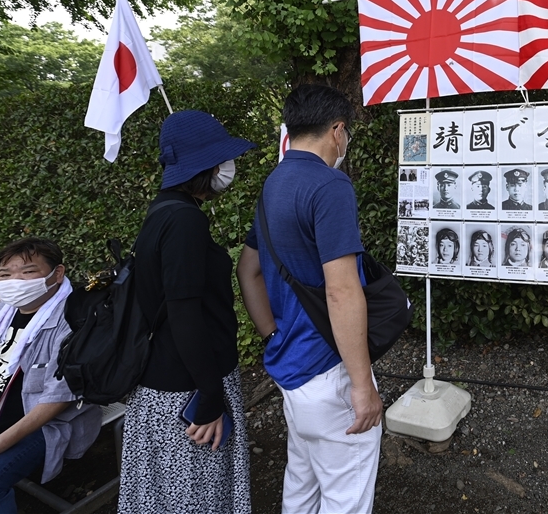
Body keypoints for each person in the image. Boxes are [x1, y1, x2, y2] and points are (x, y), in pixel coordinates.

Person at [237, 84, 382, 514]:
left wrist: (272, 334)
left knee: (302, 482)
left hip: (291, 369)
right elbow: (340, 290)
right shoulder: (330, 185)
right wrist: (361, 385)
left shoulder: (274, 183)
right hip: (327, 369)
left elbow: (248, 269)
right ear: (337, 130)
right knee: (345, 496)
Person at [119, 110, 254, 514]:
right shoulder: (183, 221)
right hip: (187, 394)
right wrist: (210, 396)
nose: (227, 169)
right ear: (206, 167)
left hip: (171, 383)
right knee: (197, 498)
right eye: (221, 160)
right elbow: (184, 313)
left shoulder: (163, 212)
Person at [0, 238, 102, 514]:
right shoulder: (0, 313)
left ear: (57, 273)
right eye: (5, 274)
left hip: (40, 426)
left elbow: (59, 399)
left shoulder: (75, 319)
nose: (14, 281)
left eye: (28, 272)